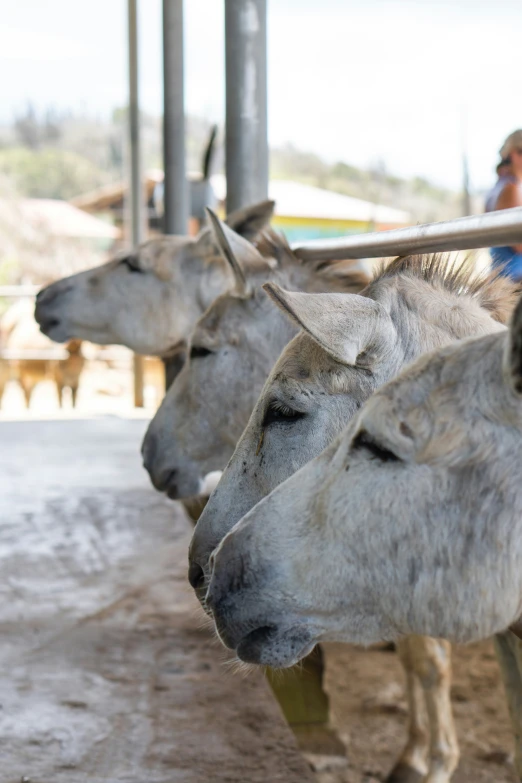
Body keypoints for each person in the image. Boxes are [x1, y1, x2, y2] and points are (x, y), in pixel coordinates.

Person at [488, 129, 522, 281]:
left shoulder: (500, 185)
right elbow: (518, 245)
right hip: (512, 280)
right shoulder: (511, 189)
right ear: (514, 154)